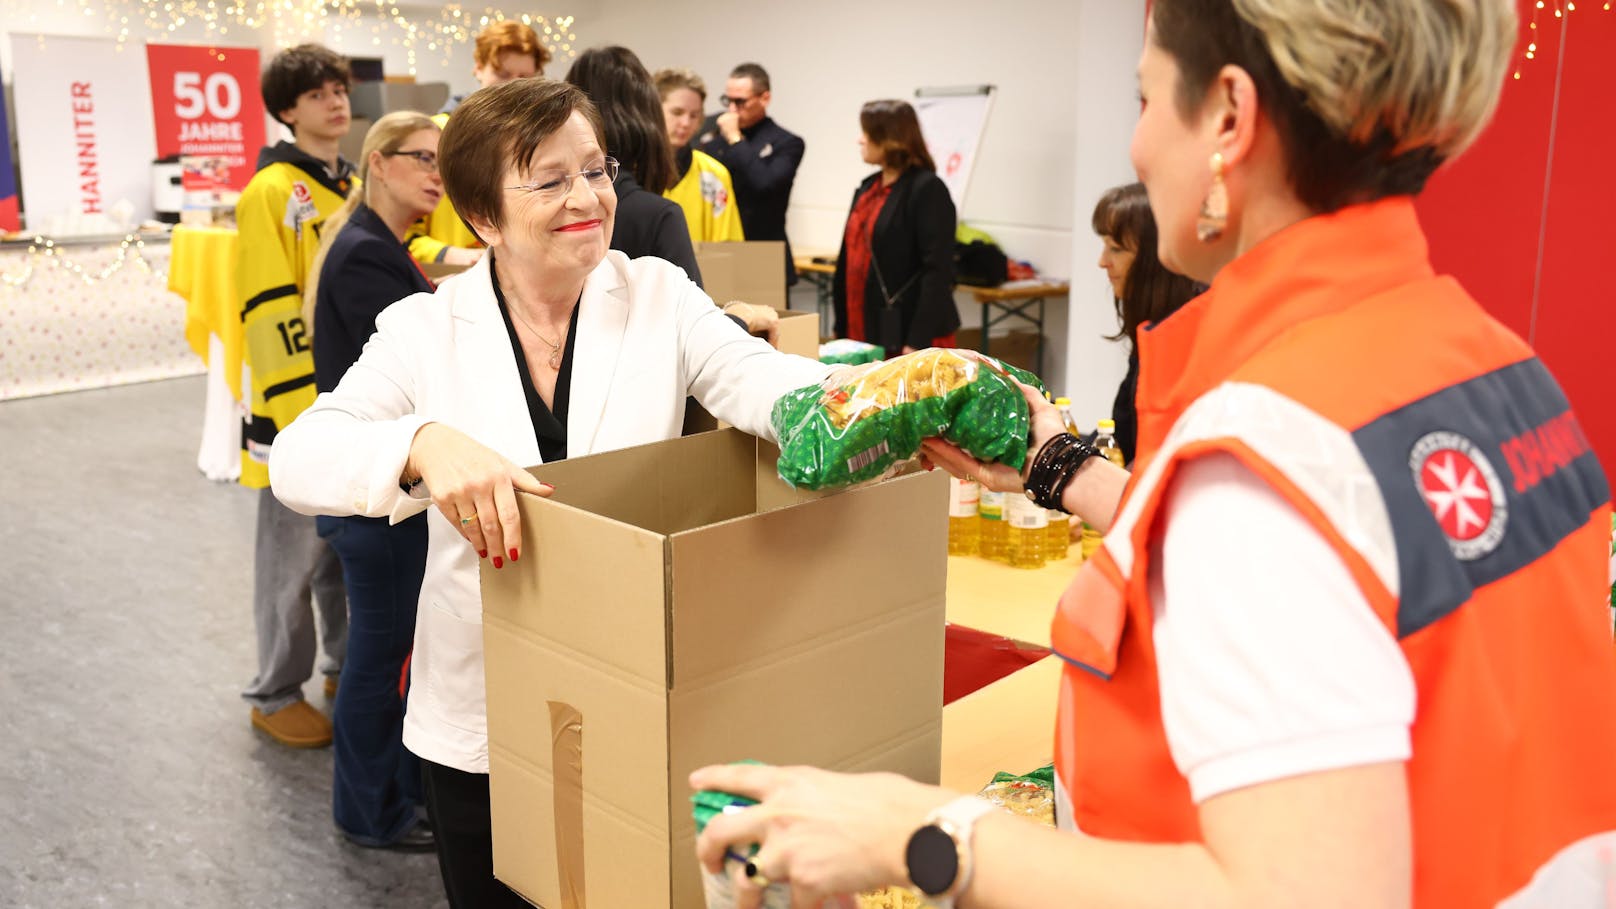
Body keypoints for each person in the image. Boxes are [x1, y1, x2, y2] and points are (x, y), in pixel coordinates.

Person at [692, 2, 1616, 907]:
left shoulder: (1271, 450)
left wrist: (919, 833)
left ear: (1227, 116)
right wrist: (1063, 467)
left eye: (1143, 101)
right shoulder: (1495, 365)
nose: (1134, 146)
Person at [267, 79, 829, 907]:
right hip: (478, 705)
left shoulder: (658, 297)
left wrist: (888, 402)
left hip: (631, 678)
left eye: (596, 171)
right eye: (551, 180)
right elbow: (300, 457)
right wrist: (419, 444)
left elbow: (763, 383)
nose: (589, 199)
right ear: (484, 216)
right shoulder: (426, 330)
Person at [300, 111, 443, 852]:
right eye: (422, 158)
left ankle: (389, 798)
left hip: (380, 488)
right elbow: (405, 370)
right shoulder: (365, 254)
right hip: (373, 496)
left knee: (383, 652)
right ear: (379, 164)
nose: (436, 173)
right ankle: (369, 811)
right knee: (379, 656)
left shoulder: (381, 245)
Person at [235, 42, 351, 749]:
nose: (335, 102)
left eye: (339, 89)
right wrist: (299, 412)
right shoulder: (271, 192)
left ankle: (342, 664)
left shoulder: (353, 181)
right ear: (287, 109)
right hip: (298, 407)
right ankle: (275, 690)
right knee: (292, 556)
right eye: (317, 94)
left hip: (353, 403)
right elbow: (268, 307)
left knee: (344, 548)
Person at [410, 20, 550, 263]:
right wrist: (456, 256)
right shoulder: (434, 136)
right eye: (502, 75)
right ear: (478, 68)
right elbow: (404, 232)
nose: (512, 86)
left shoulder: (542, 139)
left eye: (524, 77)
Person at [564, 46, 704, 287]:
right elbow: (695, 323)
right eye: (677, 112)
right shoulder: (656, 216)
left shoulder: (542, 206)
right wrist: (742, 314)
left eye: (694, 115)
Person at [831, 99, 959, 357]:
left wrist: (917, 340)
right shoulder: (868, 188)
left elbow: (938, 270)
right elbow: (848, 257)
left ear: (888, 138)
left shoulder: (926, 189)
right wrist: (840, 326)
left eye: (866, 133)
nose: (860, 140)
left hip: (911, 334)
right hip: (863, 328)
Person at [1091, 182, 1202, 464]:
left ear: (1155, 258)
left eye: (1115, 248)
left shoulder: (1186, 335)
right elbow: (1120, 436)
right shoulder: (1153, 328)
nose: (1102, 262)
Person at [696, 62, 804, 285]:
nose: (732, 109)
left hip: (764, 252)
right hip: (720, 250)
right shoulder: (713, 140)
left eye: (740, 101)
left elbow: (764, 184)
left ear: (764, 98)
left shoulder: (787, 143)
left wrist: (735, 139)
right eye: (728, 101)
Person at [654, 67, 745, 244]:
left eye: (694, 115)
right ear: (653, 110)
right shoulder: (631, 171)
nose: (686, 123)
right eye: (677, 112)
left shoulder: (714, 175)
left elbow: (729, 251)